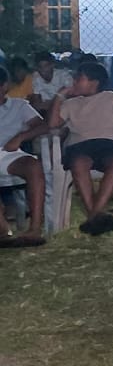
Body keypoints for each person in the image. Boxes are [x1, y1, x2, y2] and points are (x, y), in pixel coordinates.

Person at [48, 62, 113, 236]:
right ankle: (96, 216)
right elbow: (52, 124)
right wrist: (59, 97)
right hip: (80, 145)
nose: (74, 82)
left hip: (109, 143)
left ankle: (92, 217)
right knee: (79, 163)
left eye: (79, 78)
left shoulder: (111, 98)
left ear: (94, 82)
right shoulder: (71, 104)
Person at [0, 66, 48, 246]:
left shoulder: (19, 106)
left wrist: (21, 137)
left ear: (4, 86)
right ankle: (3, 229)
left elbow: (43, 125)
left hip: (9, 153)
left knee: (34, 166)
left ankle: (34, 229)